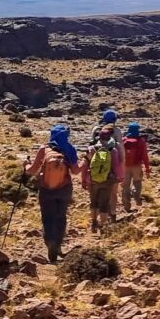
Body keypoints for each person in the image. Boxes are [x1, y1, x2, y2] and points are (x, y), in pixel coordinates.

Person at [25, 125, 80, 263]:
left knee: (47, 217)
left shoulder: (44, 149)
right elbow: (75, 171)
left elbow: (32, 171)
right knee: (61, 217)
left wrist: (25, 165)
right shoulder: (69, 148)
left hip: (46, 189)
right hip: (64, 188)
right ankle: (58, 244)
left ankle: (50, 242)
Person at [81, 125, 123, 233]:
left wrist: (83, 179)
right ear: (109, 138)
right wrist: (119, 177)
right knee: (104, 203)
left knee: (93, 202)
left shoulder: (91, 149)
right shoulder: (112, 151)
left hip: (92, 180)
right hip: (107, 181)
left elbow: (85, 165)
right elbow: (116, 166)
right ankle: (103, 226)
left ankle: (94, 223)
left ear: (98, 137)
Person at [91, 109, 124, 221]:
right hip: (113, 164)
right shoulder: (117, 131)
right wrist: (121, 166)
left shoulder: (96, 129)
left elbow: (91, 146)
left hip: (97, 165)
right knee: (113, 192)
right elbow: (121, 149)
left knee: (96, 192)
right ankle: (112, 214)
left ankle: (97, 217)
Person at [122, 122, 150, 212]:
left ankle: (127, 206)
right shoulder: (141, 141)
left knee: (125, 186)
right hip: (137, 166)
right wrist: (147, 168)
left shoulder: (124, 140)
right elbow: (145, 156)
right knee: (137, 182)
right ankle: (135, 194)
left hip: (125, 166)